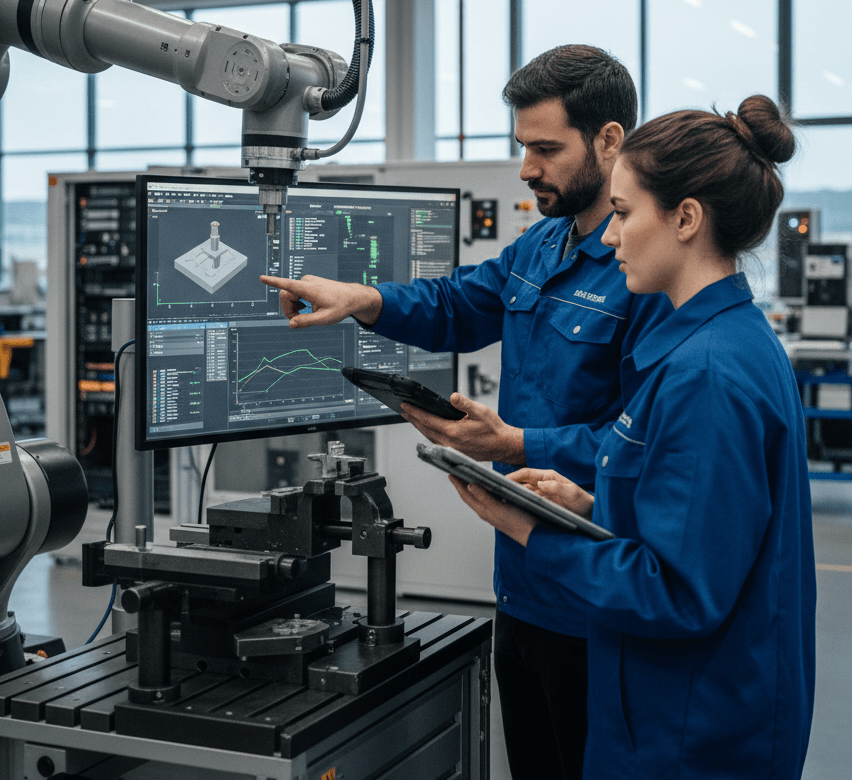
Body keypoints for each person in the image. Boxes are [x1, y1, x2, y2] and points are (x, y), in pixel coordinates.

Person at [261, 44, 672, 780]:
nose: (526, 169)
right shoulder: (543, 246)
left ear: (610, 140)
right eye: (522, 148)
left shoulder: (646, 272)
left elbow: (646, 444)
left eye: (546, 149)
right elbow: (456, 304)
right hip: (519, 587)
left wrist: (514, 441)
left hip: (600, 598)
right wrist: (362, 300)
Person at [452, 96, 816, 779]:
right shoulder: (706, 344)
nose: (610, 239)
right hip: (678, 712)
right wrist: (591, 508)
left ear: (685, 219)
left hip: (688, 734)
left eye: (622, 214)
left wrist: (538, 535)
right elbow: (701, 529)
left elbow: (677, 592)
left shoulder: (707, 377)